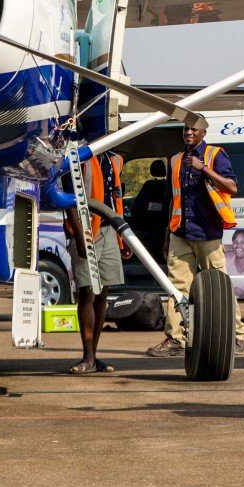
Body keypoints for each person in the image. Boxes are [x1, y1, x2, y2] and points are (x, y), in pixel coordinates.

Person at [145, 123, 244, 357]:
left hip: (208, 233)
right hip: (180, 233)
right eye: (186, 129)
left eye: (194, 129)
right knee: (176, 286)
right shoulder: (175, 160)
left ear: (204, 132)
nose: (189, 132)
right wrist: (167, 237)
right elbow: (172, 200)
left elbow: (232, 187)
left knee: (221, 285)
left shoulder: (214, 155)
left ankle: (239, 336)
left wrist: (204, 170)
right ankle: (177, 339)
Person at [65, 149, 127, 374]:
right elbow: (68, 197)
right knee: (87, 292)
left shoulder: (114, 158)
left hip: (110, 230)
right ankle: (87, 356)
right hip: (87, 230)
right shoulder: (77, 156)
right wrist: (80, 235)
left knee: (103, 295)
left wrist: (122, 237)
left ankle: (94, 355)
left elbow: (116, 195)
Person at [128, 159, 172, 260]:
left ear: (151, 171)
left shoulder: (148, 185)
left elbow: (135, 209)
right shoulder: (168, 187)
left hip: (147, 228)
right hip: (164, 226)